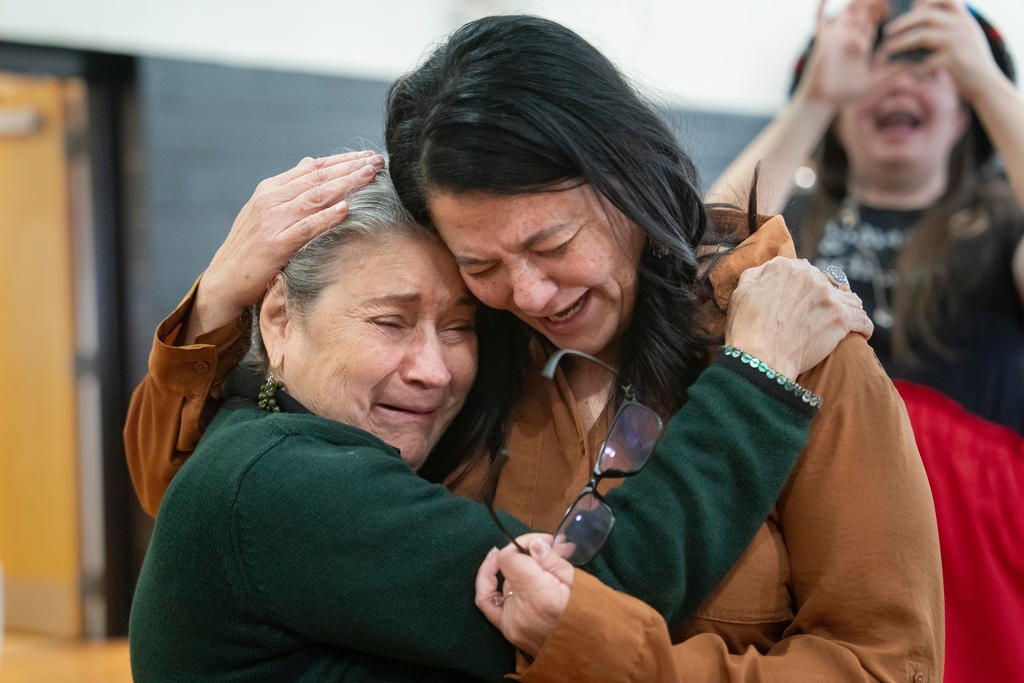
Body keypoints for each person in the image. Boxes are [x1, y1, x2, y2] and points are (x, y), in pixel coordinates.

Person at [125, 14, 941, 682]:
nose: (530, 294)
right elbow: (208, 498)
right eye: (480, 264)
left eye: (552, 244)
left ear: (623, 179)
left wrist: (626, 657)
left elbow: (888, 665)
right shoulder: (475, 362)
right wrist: (213, 307)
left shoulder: (799, 353)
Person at [129, 173, 838, 681]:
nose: (434, 369)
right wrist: (759, 375)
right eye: (391, 321)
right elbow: (598, 596)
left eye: (459, 327)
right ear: (279, 318)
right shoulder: (282, 482)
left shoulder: (249, 443)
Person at [709, 0, 1024, 435]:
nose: (897, 83)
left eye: (924, 68)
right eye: (872, 66)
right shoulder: (784, 222)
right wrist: (814, 100)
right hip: (825, 481)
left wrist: (987, 83)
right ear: (837, 121)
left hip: (979, 493)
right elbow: (703, 258)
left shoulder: (1008, 224)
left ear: (963, 115)